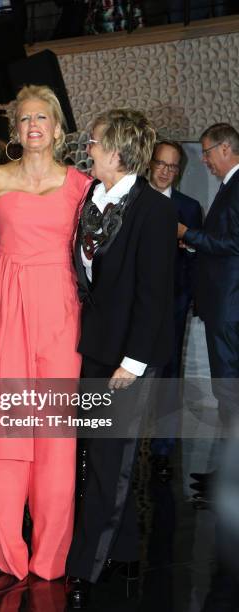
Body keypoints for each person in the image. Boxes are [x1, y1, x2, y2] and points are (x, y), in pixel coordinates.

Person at [0, 84, 91, 581]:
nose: (33, 126)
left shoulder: (81, 185)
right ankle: (7, 553)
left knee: (56, 439)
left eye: (42, 117)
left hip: (61, 311)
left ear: (57, 127)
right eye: (24, 119)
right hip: (7, 306)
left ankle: (50, 557)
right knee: (9, 434)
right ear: (14, 130)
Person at [65, 109, 177, 608]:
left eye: (95, 142)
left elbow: (155, 295)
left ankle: (86, 565)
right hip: (96, 344)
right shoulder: (93, 197)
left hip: (129, 354)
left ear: (117, 151)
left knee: (109, 459)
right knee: (102, 453)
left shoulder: (153, 211)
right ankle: (126, 549)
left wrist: (131, 364)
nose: (88, 148)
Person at [178, 123, 239, 497]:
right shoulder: (230, 186)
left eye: (206, 152)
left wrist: (188, 235)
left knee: (229, 390)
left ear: (225, 148)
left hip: (229, 307)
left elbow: (233, 243)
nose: (203, 160)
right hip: (227, 305)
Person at [149, 140, 202, 480]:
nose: (166, 172)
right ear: (149, 164)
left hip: (173, 304)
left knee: (168, 378)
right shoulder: (130, 198)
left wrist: (191, 246)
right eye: (161, 164)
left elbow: (199, 256)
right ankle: (111, 447)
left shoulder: (190, 207)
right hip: (132, 306)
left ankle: (162, 450)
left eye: (173, 167)